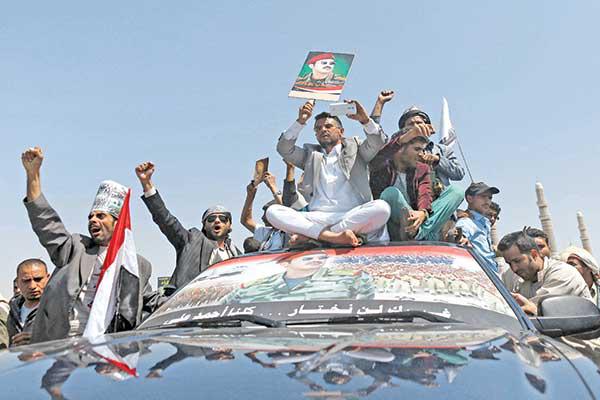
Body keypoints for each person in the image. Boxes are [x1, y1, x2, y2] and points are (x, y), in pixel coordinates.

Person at [21, 147, 152, 343]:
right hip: (62, 344)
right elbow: (46, 223)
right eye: (90, 216)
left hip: (108, 348)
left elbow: (150, 307)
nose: (93, 220)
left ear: (117, 223)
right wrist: (33, 175)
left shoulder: (137, 265)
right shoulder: (76, 248)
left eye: (101, 216)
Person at [266, 100, 390, 247]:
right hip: (316, 217)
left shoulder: (356, 148)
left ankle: (318, 236)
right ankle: (334, 237)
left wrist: (365, 120)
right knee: (273, 212)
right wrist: (300, 122)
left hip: (350, 215)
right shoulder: (310, 154)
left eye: (328, 126)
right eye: (318, 128)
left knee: (382, 208)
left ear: (341, 131)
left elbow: (378, 141)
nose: (323, 130)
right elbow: (284, 148)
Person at [136, 161, 241, 289]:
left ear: (230, 225)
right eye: (211, 218)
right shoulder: (191, 241)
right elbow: (166, 220)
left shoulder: (237, 254)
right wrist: (147, 184)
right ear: (204, 225)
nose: (217, 221)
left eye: (223, 218)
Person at [369, 121, 464, 241]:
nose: (421, 154)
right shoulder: (383, 166)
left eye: (423, 150)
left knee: (456, 192)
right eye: (417, 149)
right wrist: (405, 137)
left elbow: (425, 194)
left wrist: (423, 213)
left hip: (417, 221)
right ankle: (427, 235)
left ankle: (419, 233)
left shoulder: (422, 168)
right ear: (400, 149)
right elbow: (379, 157)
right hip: (394, 227)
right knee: (391, 193)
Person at [370, 92, 465, 188]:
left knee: (456, 191)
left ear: (427, 126)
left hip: (439, 196)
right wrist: (380, 103)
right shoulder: (395, 148)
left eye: (419, 123)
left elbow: (459, 173)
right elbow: (374, 134)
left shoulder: (443, 150)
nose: (416, 127)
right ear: (403, 130)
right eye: (411, 124)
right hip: (403, 195)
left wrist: (437, 160)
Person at [222, 250, 375, 303]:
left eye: (321, 258)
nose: (316, 260)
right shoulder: (251, 288)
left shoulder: (348, 280)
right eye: (308, 258)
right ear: (285, 263)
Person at [498, 231, 592, 315]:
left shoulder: (563, 273)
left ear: (534, 254)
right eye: (509, 263)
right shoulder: (518, 276)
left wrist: (528, 308)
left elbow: (535, 310)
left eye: (517, 261)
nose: (514, 269)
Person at [454, 182, 500, 273]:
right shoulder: (466, 223)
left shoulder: (485, 223)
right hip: (478, 272)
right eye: (483, 196)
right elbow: (459, 241)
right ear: (469, 198)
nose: (487, 201)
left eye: (490, 197)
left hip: (491, 272)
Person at [7, 258, 49, 347]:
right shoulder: (13, 310)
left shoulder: (59, 307)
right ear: (18, 282)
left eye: (38, 279)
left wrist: (40, 341)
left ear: (48, 278)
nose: (32, 286)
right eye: (26, 281)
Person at [241, 172, 287, 251]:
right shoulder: (266, 233)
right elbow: (246, 221)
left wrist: (272, 186)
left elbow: (287, 211)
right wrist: (250, 194)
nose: (262, 218)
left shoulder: (289, 231)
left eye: (267, 215)